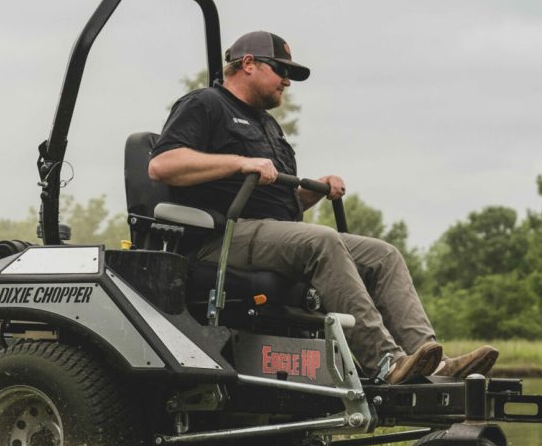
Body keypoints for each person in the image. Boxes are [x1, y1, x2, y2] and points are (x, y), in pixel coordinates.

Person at [147, 30, 498, 385]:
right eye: (280, 69)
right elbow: (162, 165)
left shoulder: (268, 126)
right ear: (248, 64)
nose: (287, 80)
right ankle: (384, 362)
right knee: (322, 241)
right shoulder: (205, 104)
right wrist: (240, 162)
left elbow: (281, 204)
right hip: (222, 236)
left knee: (383, 255)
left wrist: (313, 191)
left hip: (271, 235)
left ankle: (431, 361)